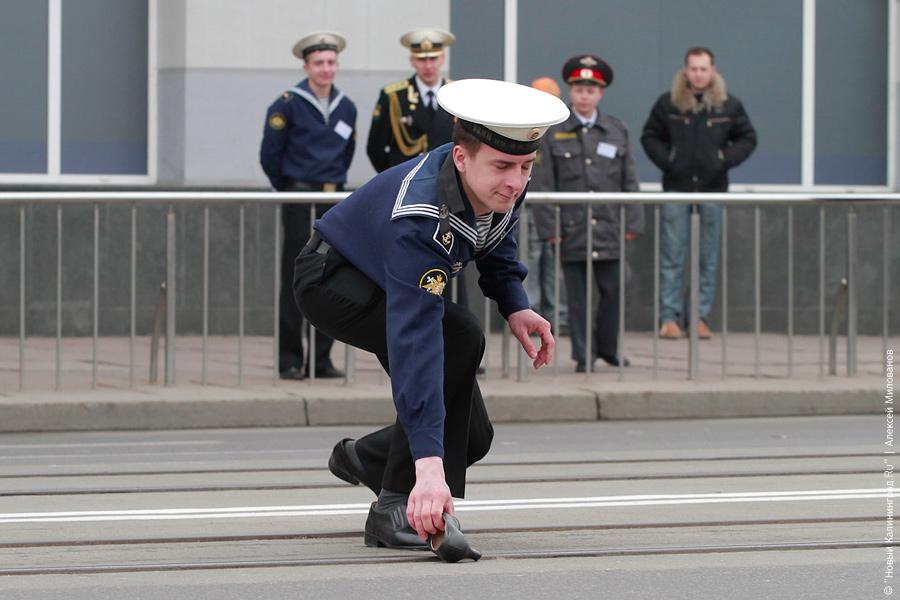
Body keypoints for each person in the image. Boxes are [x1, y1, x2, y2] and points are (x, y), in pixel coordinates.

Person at [294, 79, 567, 555]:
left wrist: (515, 302)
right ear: (462, 158)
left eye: (526, 167)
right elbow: (415, 342)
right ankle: (392, 506)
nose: (516, 181)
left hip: (376, 273)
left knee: (473, 438)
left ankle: (365, 458)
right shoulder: (422, 217)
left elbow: (496, 233)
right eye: (503, 166)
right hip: (332, 279)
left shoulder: (500, 179)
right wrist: (426, 467)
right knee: (457, 336)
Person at [532, 55, 644, 373]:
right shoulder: (555, 132)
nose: (584, 95)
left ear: (601, 93)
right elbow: (545, 183)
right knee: (577, 297)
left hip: (610, 226)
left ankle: (608, 348)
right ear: (570, 90)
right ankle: (584, 354)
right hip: (572, 227)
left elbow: (629, 179)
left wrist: (633, 220)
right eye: (579, 89)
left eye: (591, 90)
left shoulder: (615, 129)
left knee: (615, 288)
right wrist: (549, 226)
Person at [640, 46, 757, 340]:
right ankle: (669, 319)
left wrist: (723, 160)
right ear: (685, 70)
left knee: (707, 257)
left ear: (713, 70)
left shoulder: (728, 105)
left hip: (713, 190)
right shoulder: (668, 103)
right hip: (677, 189)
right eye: (693, 68)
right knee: (672, 257)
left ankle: (699, 316)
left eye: (704, 68)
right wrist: (669, 162)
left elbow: (748, 138)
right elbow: (650, 136)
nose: (699, 74)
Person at [260, 31, 357, 380]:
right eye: (319, 63)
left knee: (330, 278)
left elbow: (346, 154)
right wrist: (289, 187)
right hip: (300, 197)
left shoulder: (346, 106)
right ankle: (290, 358)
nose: (326, 69)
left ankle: (321, 359)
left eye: (331, 63)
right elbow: (270, 154)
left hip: (333, 201)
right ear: (306, 65)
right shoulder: (288, 103)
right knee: (296, 276)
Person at [366, 29, 456, 173]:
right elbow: (375, 148)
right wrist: (393, 177)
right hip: (406, 180)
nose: (428, 66)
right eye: (421, 59)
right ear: (412, 60)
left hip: (445, 179)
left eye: (433, 59)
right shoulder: (394, 96)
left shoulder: (455, 94)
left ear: (443, 58)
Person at [525, 77, 568, 330]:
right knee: (530, 260)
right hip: (531, 205)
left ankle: (558, 317)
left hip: (558, 206)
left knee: (555, 264)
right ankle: (531, 314)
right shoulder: (525, 126)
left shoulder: (563, 129)